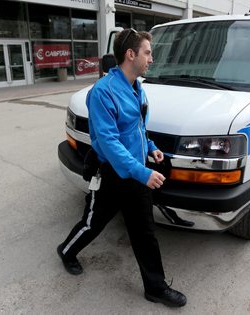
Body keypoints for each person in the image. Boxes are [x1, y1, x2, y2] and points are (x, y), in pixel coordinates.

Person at [56, 29, 187, 308]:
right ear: (131, 54)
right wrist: (144, 173)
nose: (151, 58)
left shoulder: (137, 87)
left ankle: (155, 287)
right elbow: (110, 142)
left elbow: (136, 128)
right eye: (147, 52)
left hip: (135, 172)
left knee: (144, 233)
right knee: (93, 223)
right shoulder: (103, 92)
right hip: (111, 174)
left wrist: (151, 147)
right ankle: (66, 251)